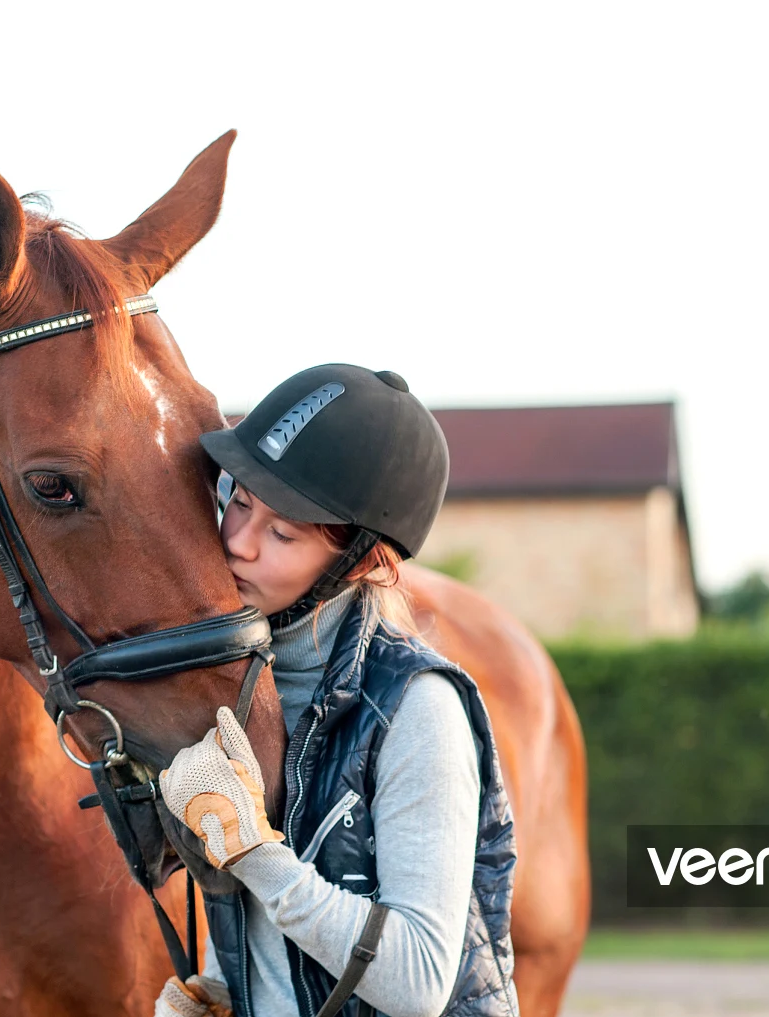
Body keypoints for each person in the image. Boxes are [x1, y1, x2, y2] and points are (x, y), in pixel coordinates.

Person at [153, 365, 520, 1017]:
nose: (236, 543)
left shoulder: (418, 708)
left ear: (361, 563)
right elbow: (269, 913)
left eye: (283, 533)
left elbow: (417, 982)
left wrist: (254, 852)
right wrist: (223, 983)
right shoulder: (236, 678)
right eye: (239, 501)